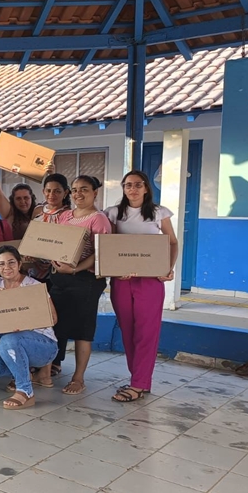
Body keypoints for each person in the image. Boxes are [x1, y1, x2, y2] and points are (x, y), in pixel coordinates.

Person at [104, 170, 179, 402]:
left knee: (147, 332)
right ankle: (139, 379)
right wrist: (115, 270)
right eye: (127, 185)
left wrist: (167, 267)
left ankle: (138, 384)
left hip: (150, 281)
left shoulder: (159, 212)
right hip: (122, 281)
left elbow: (172, 242)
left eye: (137, 185)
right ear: (123, 189)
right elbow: (110, 246)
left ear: (146, 188)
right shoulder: (114, 213)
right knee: (128, 331)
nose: (132, 189)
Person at [0, 246, 59, 409]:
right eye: (1, 264)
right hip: (10, 342)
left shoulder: (33, 286)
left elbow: (53, 318)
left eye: (11, 262)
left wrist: (24, 323)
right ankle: (24, 372)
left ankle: (25, 391)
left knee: (9, 340)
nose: (7, 267)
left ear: (19, 264)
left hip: (43, 344)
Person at [48, 175, 111, 395]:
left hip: (86, 280)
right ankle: (46, 371)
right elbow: (56, 242)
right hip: (60, 277)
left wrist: (75, 269)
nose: (78, 194)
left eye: (84, 189)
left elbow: (99, 253)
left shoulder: (99, 219)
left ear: (95, 192)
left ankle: (78, 378)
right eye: (74, 190)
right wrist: (55, 261)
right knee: (55, 324)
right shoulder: (65, 216)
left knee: (83, 330)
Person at [0, 154, 39, 240]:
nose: (23, 201)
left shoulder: (39, 212)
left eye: (26, 198)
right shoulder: (9, 213)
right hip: (13, 251)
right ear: (13, 200)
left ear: (32, 198)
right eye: (18, 198)